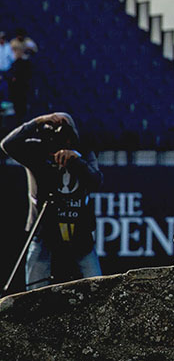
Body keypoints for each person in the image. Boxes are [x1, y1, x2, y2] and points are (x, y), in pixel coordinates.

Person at [1, 112, 103, 292]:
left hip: (78, 231)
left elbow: (96, 180)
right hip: (43, 230)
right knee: (35, 292)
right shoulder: (38, 152)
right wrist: (38, 121)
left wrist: (76, 160)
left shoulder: (83, 152)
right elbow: (7, 144)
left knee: (97, 286)